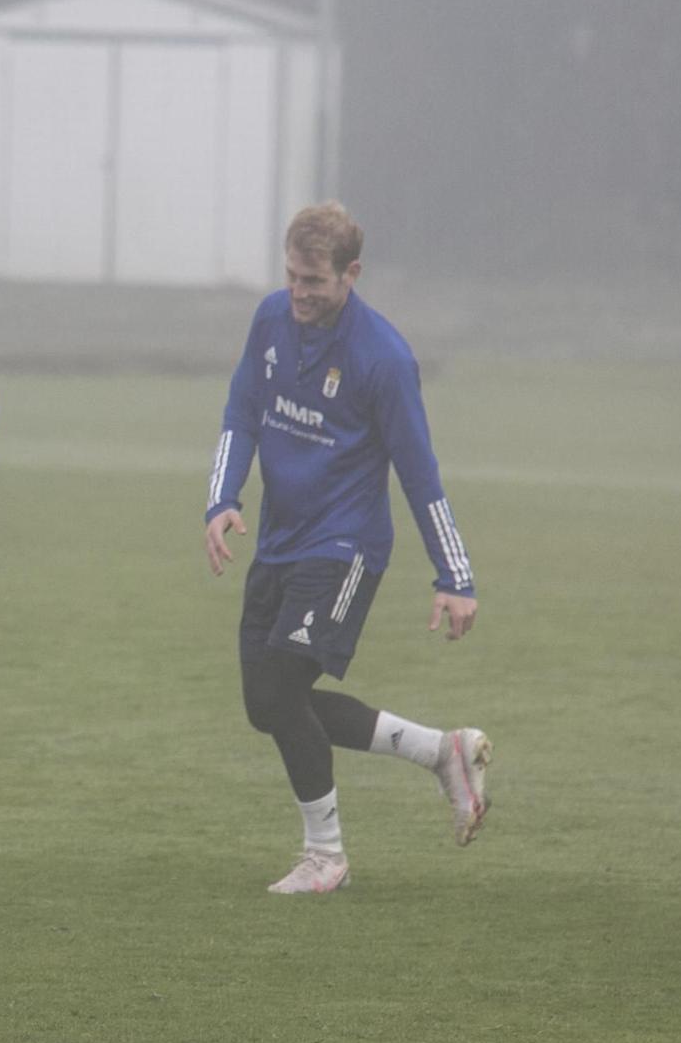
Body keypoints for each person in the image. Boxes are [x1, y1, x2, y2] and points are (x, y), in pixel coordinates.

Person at [204, 201, 490, 894]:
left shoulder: (383, 359)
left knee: (279, 687)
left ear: (351, 273)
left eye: (315, 280)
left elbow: (420, 474)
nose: (300, 292)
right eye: (293, 276)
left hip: (345, 545)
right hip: (279, 540)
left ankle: (325, 855)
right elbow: (241, 409)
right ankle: (442, 751)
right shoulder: (271, 318)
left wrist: (454, 574)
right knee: (267, 704)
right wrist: (223, 499)